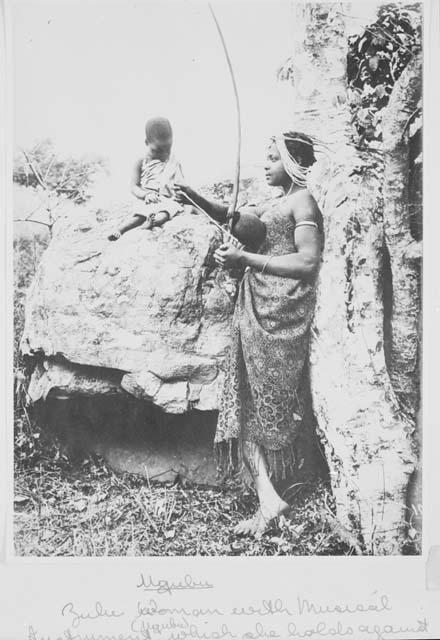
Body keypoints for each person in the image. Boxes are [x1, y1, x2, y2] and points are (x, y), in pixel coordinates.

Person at [174, 131, 323, 538]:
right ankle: (267, 497)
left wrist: (246, 258)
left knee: (270, 400)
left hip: (280, 311)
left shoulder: (302, 200)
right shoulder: (274, 203)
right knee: (242, 398)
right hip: (253, 307)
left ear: (292, 162)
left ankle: (281, 491)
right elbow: (237, 221)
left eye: (272, 158)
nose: (265, 165)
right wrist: (192, 194)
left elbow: (308, 261)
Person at [108, 117, 184, 240]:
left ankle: (150, 224)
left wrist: (180, 193)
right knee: (139, 215)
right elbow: (133, 186)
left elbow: (182, 183)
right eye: (157, 150)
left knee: (166, 212)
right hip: (148, 199)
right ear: (147, 142)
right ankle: (120, 230)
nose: (162, 154)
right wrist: (145, 195)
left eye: (167, 149)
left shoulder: (174, 162)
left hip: (168, 200)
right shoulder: (141, 161)